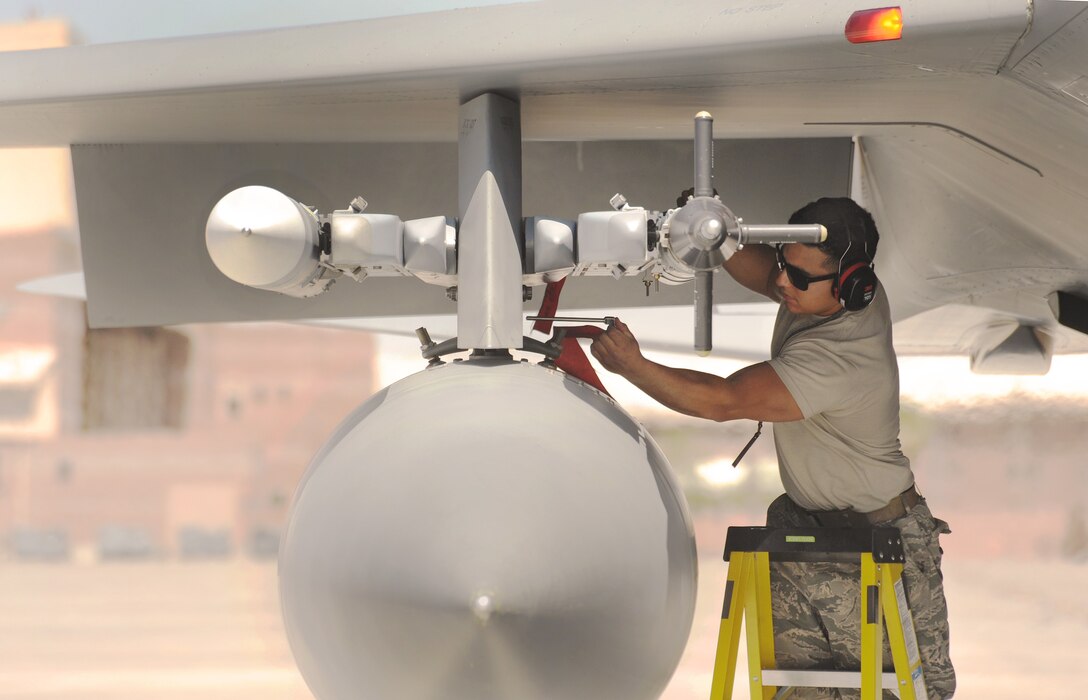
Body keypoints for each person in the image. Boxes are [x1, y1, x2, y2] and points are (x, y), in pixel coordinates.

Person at [589, 197, 954, 699]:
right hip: (809, 534)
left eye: (800, 279)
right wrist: (709, 230)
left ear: (851, 282)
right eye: (785, 264)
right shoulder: (824, 290)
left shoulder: (840, 356)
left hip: (879, 545)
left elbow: (723, 401)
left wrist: (634, 366)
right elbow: (766, 275)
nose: (783, 283)